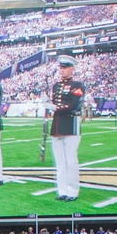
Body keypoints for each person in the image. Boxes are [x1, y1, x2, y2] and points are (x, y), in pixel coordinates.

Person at [48, 55, 85, 201]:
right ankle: (62, 190)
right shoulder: (56, 86)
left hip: (71, 125)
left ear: (72, 69)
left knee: (70, 160)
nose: (62, 70)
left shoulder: (77, 85)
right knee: (60, 162)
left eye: (65, 67)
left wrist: (56, 107)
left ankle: (72, 191)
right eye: (61, 67)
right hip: (58, 125)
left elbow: (74, 105)